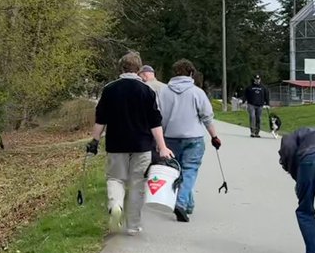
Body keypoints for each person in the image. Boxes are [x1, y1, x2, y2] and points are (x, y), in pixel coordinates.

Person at [86, 52, 174, 235]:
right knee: (137, 183)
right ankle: (133, 225)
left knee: (115, 178)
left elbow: (100, 119)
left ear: (121, 68)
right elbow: (155, 122)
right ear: (139, 69)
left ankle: (116, 206)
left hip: (116, 144)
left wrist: (94, 140)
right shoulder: (147, 90)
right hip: (141, 145)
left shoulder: (109, 89)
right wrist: (162, 146)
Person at [158, 60, 222, 222]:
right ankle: (181, 202)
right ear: (191, 73)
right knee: (190, 170)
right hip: (193, 138)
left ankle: (188, 204)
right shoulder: (197, 92)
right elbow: (207, 117)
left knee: (176, 172)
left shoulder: (163, 92)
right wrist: (214, 136)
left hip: (170, 138)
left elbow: (158, 117)